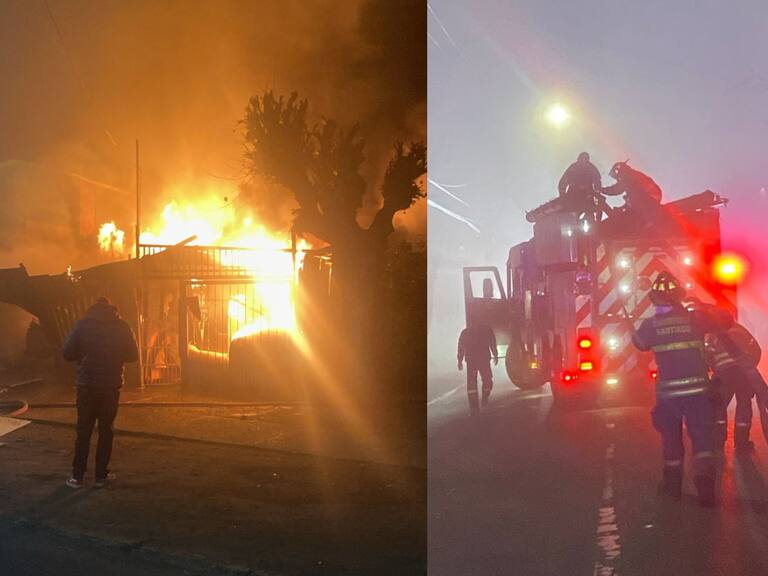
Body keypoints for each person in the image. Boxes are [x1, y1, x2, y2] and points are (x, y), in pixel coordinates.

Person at [631, 272, 732, 506]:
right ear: (679, 295)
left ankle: (673, 485)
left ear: (655, 298)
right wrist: (703, 307)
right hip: (698, 393)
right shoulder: (696, 319)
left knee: (671, 440)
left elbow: (639, 343)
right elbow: (726, 320)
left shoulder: (650, 325)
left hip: (668, 396)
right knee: (702, 440)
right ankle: (706, 488)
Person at [62, 297, 139, 488]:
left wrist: (84, 354)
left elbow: (67, 354)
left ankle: (77, 476)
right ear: (112, 309)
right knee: (106, 430)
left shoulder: (82, 325)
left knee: (83, 430)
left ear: (92, 308)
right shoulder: (122, 326)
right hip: (110, 386)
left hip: (86, 385)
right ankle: (100, 476)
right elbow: (133, 356)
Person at [458, 280, 499, 414]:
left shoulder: (474, 331)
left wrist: (495, 354)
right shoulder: (482, 330)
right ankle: (476, 405)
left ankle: (481, 400)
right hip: (478, 360)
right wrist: (459, 359)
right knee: (476, 384)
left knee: (482, 382)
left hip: (476, 360)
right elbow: (461, 345)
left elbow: (461, 345)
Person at [601, 161, 663, 234]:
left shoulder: (628, 176)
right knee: (629, 198)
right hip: (651, 198)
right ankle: (644, 220)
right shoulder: (632, 175)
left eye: (615, 175)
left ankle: (647, 221)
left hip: (650, 198)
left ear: (618, 171)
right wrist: (622, 207)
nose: (616, 178)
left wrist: (601, 189)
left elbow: (616, 190)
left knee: (631, 198)